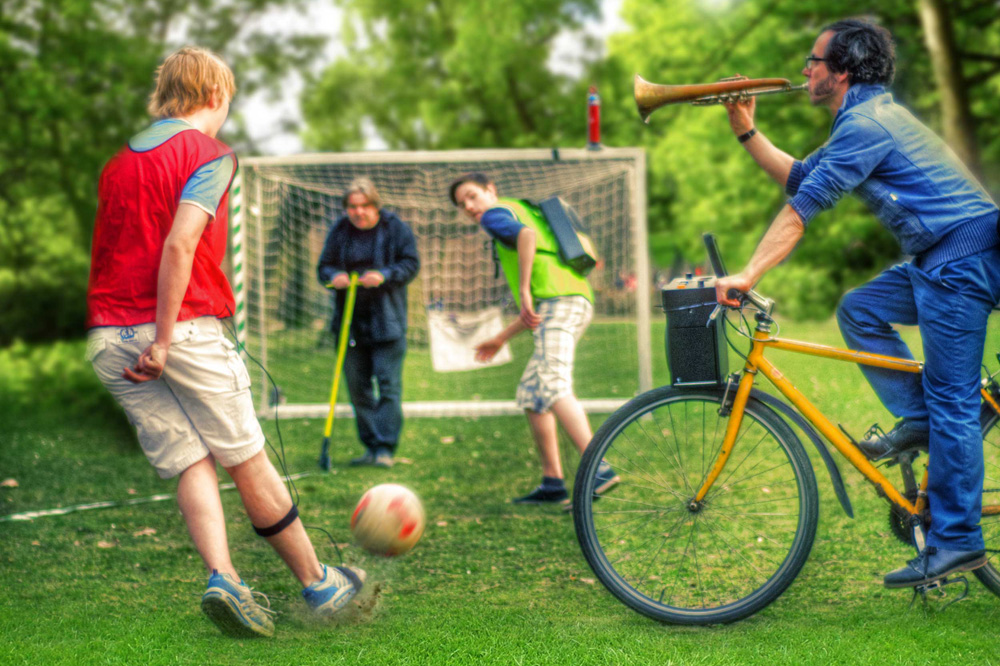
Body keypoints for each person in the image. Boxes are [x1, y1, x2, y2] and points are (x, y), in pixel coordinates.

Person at [85, 47, 364, 638]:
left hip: (109, 339)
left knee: (191, 458)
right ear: (216, 95)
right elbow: (180, 245)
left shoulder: (117, 164)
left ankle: (225, 578)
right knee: (247, 459)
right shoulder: (208, 155)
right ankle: (321, 584)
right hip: (179, 331)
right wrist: (163, 340)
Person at [713, 19, 1000, 589]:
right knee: (859, 309)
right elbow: (801, 179)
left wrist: (748, 271)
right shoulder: (863, 118)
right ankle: (919, 421)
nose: (804, 70)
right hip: (935, 258)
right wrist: (746, 130)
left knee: (954, 403)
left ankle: (958, 542)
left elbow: (803, 211)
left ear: (841, 71)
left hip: (959, 261)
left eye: (813, 60)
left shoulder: (866, 124)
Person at [449, 173, 619, 505]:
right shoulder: (521, 208)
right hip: (571, 299)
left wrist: (524, 290)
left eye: (472, 196)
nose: (469, 207)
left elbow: (526, 238)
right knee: (532, 392)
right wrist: (501, 338)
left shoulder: (496, 214)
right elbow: (538, 314)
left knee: (553, 385)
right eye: (462, 203)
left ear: (490, 190)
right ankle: (552, 482)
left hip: (560, 301)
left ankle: (600, 468)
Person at [317, 178, 420, 468]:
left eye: (364, 206)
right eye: (352, 207)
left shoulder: (395, 228)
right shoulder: (340, 230)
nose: (358, 212)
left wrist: (385, 275)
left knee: (388, 386)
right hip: (349, 322)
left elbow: (411, 263)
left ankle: (385, 448)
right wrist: (333, 276)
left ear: (375, 206)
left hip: (387, 322)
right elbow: (323, 266)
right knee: (358, 387)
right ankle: (371, 446)